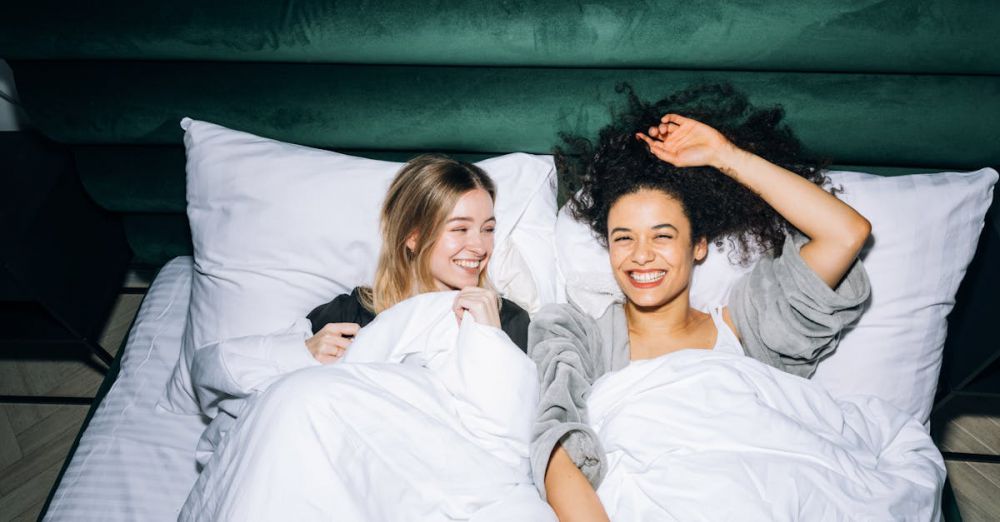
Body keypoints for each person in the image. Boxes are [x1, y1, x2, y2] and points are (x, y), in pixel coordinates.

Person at [529, 85, 873, 520]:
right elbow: (556, 447)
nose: (641, 255)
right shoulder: (578, 336)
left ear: (699, 246)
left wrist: (726, 156)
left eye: (662, 235)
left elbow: (846, 234)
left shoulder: (751, 326)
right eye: (624, 239)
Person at [188, 154, 530, 462]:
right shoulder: (351, 314)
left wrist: (490, 342)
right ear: (413, 236)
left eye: (488, 229)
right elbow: (220, 378)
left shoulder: (506, 318)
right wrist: (301, 353)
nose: (480, 246)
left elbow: (514, 433)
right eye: (460, 229)